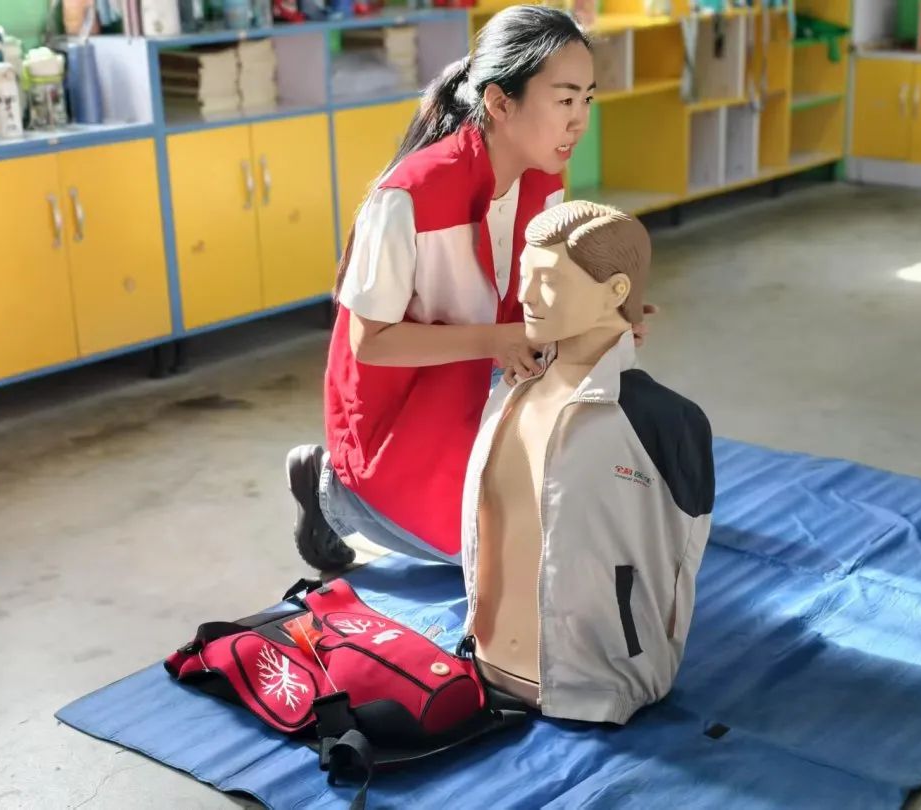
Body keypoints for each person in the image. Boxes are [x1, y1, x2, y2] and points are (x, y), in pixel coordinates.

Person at [286, 5, 601, 570]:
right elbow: (370, 342)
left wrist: (604, 313)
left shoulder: (543, 179)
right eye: (564, 100)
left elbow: (538, 292)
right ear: (500, 103)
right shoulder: (410, 195)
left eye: (587, 100)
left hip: (481, 378)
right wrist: (498, 341)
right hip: (397, 414)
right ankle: (332, 491)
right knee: (497, 558)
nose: (579, 121)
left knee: (578, 514)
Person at [460, 200, 715, 723]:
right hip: (482, 664)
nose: (526, 295)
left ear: (617, 291)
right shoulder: (507, 395)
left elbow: (679, 563)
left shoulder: (666, 422)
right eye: (525, 276)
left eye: (549, 280)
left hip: (599, 687)